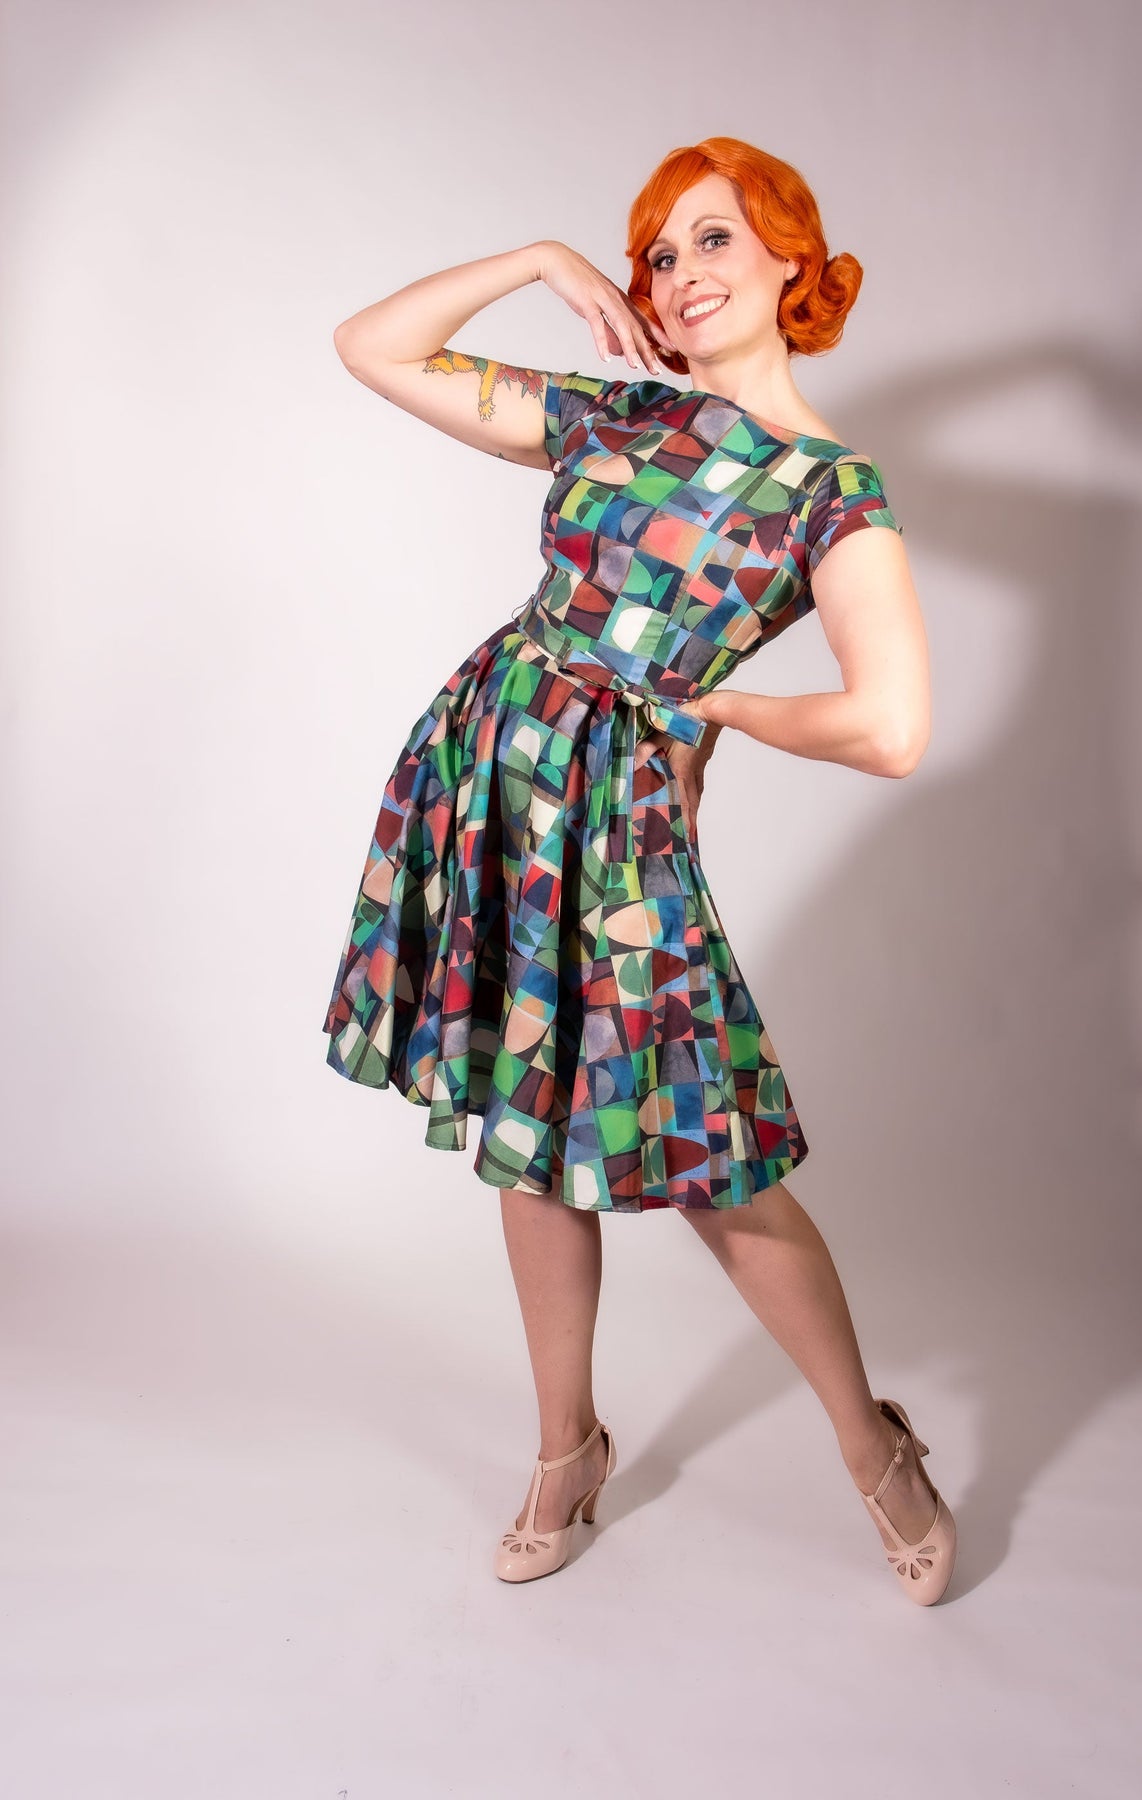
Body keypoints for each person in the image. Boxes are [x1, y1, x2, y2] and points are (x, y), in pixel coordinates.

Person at [321, 136, 956, 1605]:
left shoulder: (827, 489)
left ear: (792, 259)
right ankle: (567, 1449)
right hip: (492, 777)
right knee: (524, 1121)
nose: (679, 273)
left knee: (711, 1161)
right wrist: (544, 259)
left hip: (618, 826)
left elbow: (892, 727)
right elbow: (372, 346)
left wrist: (716, 707)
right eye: (658, 254)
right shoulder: (612, 413)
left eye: (714, 238)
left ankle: (872, 1447)